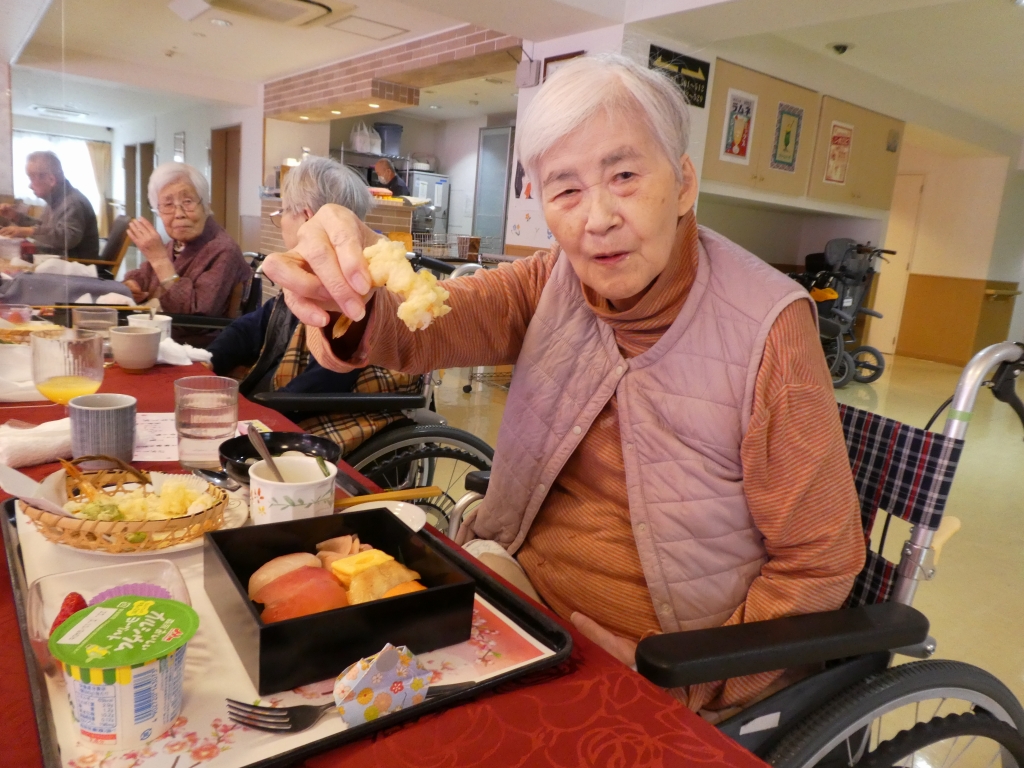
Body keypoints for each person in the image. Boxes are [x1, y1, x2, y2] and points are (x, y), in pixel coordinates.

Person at [263, 54, 865, 719]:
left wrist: (690, 677)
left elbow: (820, 560)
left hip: (664, 667)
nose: (597, 217)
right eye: (566, 189)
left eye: (625, 176)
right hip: (518, 593)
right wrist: (347, 287)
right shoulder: (552, 280)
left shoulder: (770, 328)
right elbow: (426, 325)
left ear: (684, 183)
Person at [209, 156, 419, 454]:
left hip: (324, 410)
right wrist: (208, 361)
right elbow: (255, 326)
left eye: (283, 211)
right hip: (288, 400)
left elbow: (326, 380)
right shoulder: (307, 273)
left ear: (307, 217)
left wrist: (259, 412)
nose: (280, 221)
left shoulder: (362, 282)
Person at [122, 162, 250, 319]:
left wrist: (160, 260)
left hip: (185, 333)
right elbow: (145, 274)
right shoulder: (176, 244)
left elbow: (196, 314)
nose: (179, 214)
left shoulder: (224, 250)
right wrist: (133, 284)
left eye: (188, 202)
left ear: (206, 206)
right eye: (168, 204)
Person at [0, 151, 100, 261]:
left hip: (75, 266)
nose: (30, 186)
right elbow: (42, 228)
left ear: (51, 180)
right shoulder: (56, 199)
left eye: (32, 179)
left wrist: (27, 231)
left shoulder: (73, 202)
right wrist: (16, 216)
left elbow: (68, 237)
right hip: (57, 262)